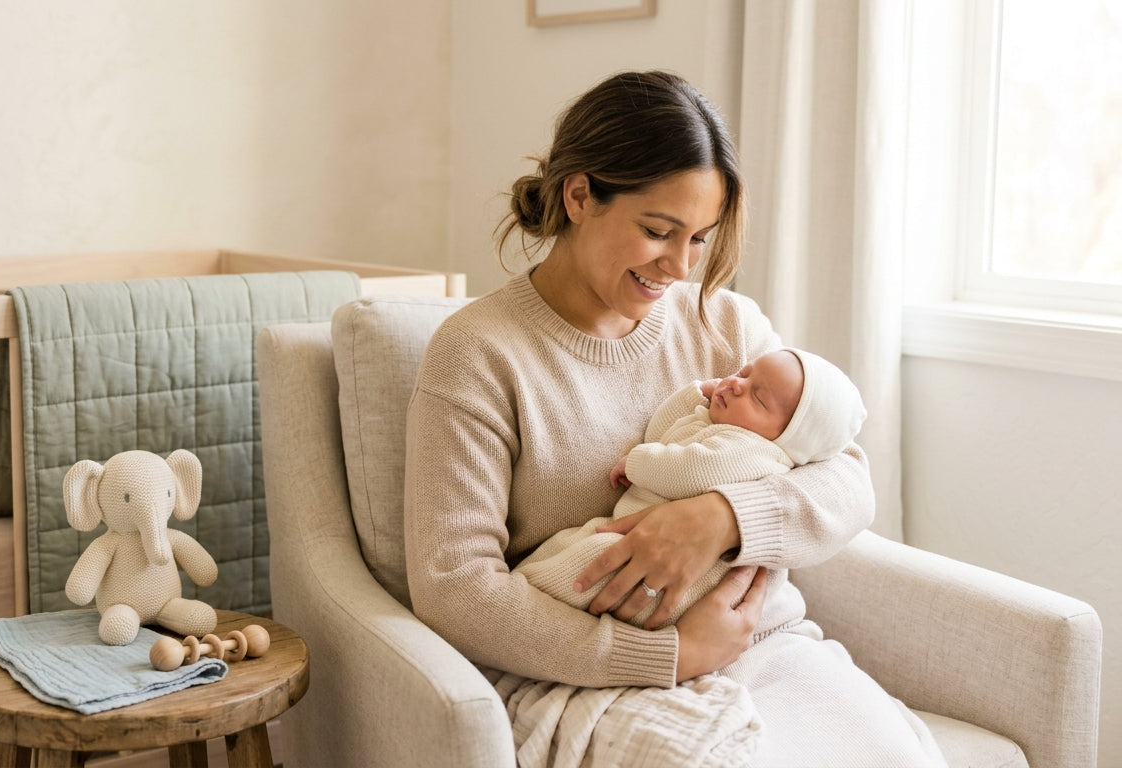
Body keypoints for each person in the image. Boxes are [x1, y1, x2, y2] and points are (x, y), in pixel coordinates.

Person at [403, 70, 945, 765]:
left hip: (757, 642)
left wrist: (718, 518)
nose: (680, 266)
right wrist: (667, 653)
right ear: (579, 196)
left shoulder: (723, 323)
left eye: (699, 238)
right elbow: (455, 587)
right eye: (659, 231)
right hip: (590, 671)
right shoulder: (477, 352)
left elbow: (847, 481)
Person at [513, 347, 868, 630]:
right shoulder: (723, 422)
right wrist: (696, 395)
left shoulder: (754, 450)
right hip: (643, 540)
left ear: (787, 436)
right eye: (744, 372)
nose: (736, 383)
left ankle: (528, 600)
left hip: (689, 578)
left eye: (758, 398)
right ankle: (518, 599)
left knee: (584, 564)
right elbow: (663, 432)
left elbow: (691, 468)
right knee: (574, 548)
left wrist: (637, 462)